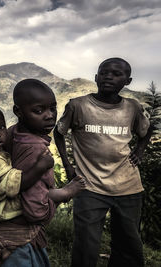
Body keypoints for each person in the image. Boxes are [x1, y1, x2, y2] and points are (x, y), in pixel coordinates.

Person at [53, 57, 153, 267]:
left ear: (128, 80)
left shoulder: (132, 108)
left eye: (117, 74)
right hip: (89, 186)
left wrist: (139, 150)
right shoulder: (78, 106)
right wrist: (68, 165)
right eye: (104, 72)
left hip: (128, 186)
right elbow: (59, 132)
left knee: (128, 244)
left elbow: (146, 130)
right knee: (86, 246)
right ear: (96, 77)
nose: (109, 76)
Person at [3, 79, 85, 266]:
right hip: (23, 233)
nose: (49, 116)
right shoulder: (35, 150)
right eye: (39, 111)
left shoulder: (12, 133)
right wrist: (60, 196)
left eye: (53, 108)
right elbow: (35, 210)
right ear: (18, 112)